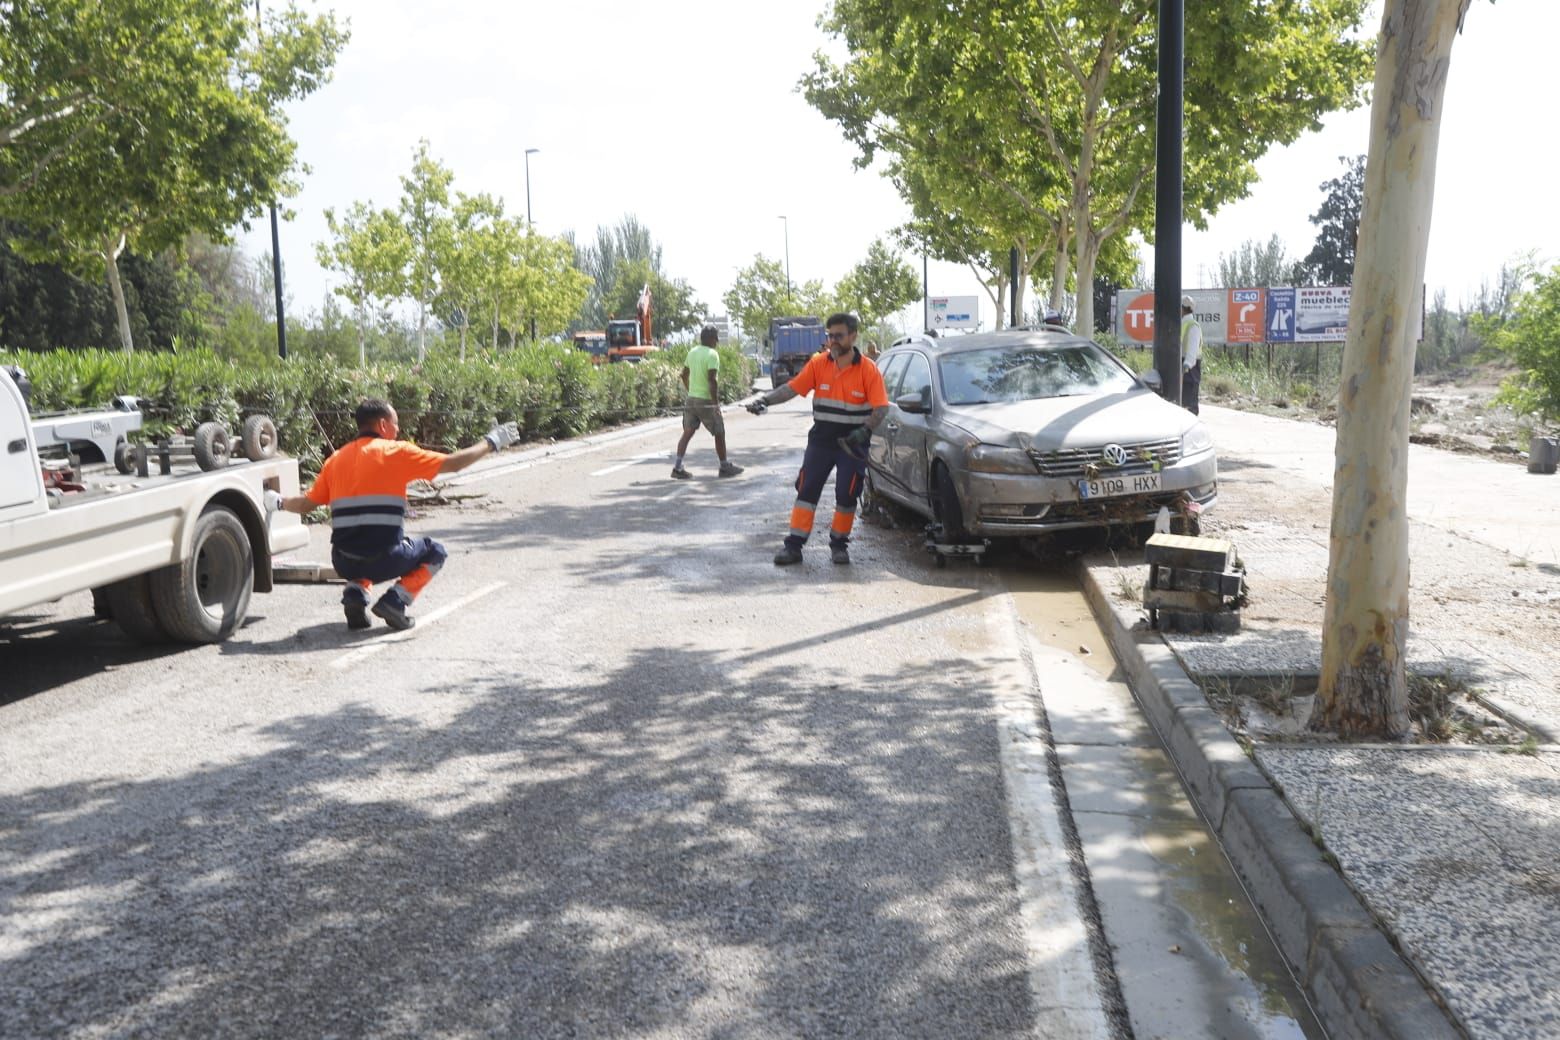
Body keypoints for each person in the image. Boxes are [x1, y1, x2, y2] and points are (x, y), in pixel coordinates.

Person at [265, 400, 518, 631]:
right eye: (395, 424)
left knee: (358, 546)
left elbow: (306, 504)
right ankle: (395, 602)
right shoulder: (397, 453)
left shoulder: (335, 460)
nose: (397, 430)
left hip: (343, 561)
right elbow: (454, 463)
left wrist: (278, 502)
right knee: (435, 551)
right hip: (384, 559)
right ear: (383, 425)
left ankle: (355, 594)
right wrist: (491, 442)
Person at [746, 312, 889, 566]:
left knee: (846, 495)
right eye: (830, 335)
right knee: (806, 490)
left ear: (853, 336)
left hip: (852, 444)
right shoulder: (818, 364)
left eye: (839, 336)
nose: (833, 341)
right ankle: (794, 546)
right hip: (821, 442)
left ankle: (838, 545)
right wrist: (764, 400)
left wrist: (865, 430)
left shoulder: (869, 370)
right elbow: (791, 388)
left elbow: (881, 408)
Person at [671, 326, 743, 479]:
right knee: (719, 431)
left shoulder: (692, 352)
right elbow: (712, 381)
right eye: (715, 338)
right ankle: (724, 466)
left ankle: (677, 468)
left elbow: (684, 375)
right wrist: (716, 404)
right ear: (710, 339)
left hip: (691, 400)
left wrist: (690, 390)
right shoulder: (712, 355)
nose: (717, 341)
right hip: (706, 401)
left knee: (687, 433)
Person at [1180, 294, 1203, 415]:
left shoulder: (1193, 325)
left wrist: (1187, 364)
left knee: (1189, 400)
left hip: (1190, 366)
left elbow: (1192, 348)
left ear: (1183, 308)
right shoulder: (1183, 323)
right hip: (1184, 363)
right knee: (1183, 398)